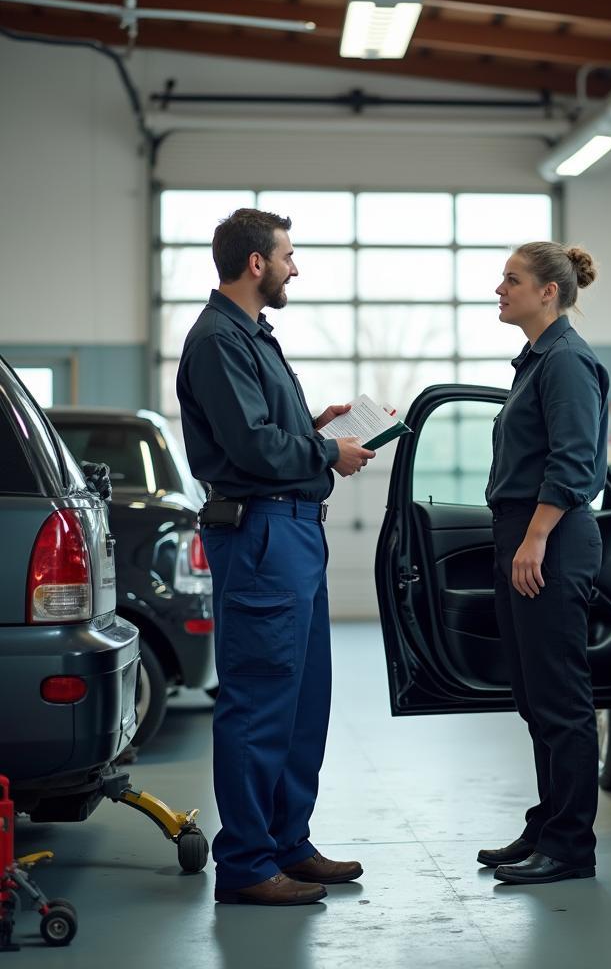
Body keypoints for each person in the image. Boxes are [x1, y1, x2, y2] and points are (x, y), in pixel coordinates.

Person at [176, 208, 375, 907]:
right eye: (288, 255)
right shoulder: (219, 341)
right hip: (261, 535)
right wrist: (327, 452)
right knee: (260, 701)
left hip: (292, 534)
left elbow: (264, 431)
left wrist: (313, 427)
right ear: (255, 262)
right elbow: (254, 449)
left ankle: (288, 843)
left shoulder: (253, 337)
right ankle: (248, 863)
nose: (296, 267)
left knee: (300, 701)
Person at [477, 241, 609, 885]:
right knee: (535, 698)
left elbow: (573, 461)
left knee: (560, 699)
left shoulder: (565, 362)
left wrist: (534, 540)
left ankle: (571, 846)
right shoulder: (535, 361)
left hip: (550, 537)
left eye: (512, 279)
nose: (500, 289)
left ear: (549, 291)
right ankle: (548, 823)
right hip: (527, 534)